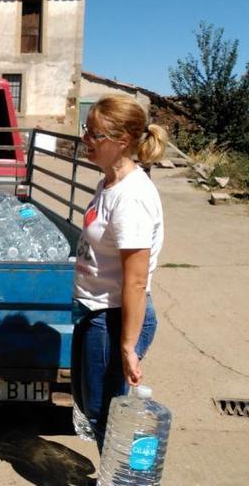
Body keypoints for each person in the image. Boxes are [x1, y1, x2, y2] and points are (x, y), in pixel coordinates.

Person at [71, 95, 168, 452]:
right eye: (87, 131)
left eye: (95, 135)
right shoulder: (107, 184)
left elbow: (136, 279)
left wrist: (127, 345)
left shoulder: (132, 197)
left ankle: (121, 478)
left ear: (122, 140)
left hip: (113, 318)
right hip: (93, 311)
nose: (86, 141)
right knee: (91, 408)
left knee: (105, 415)